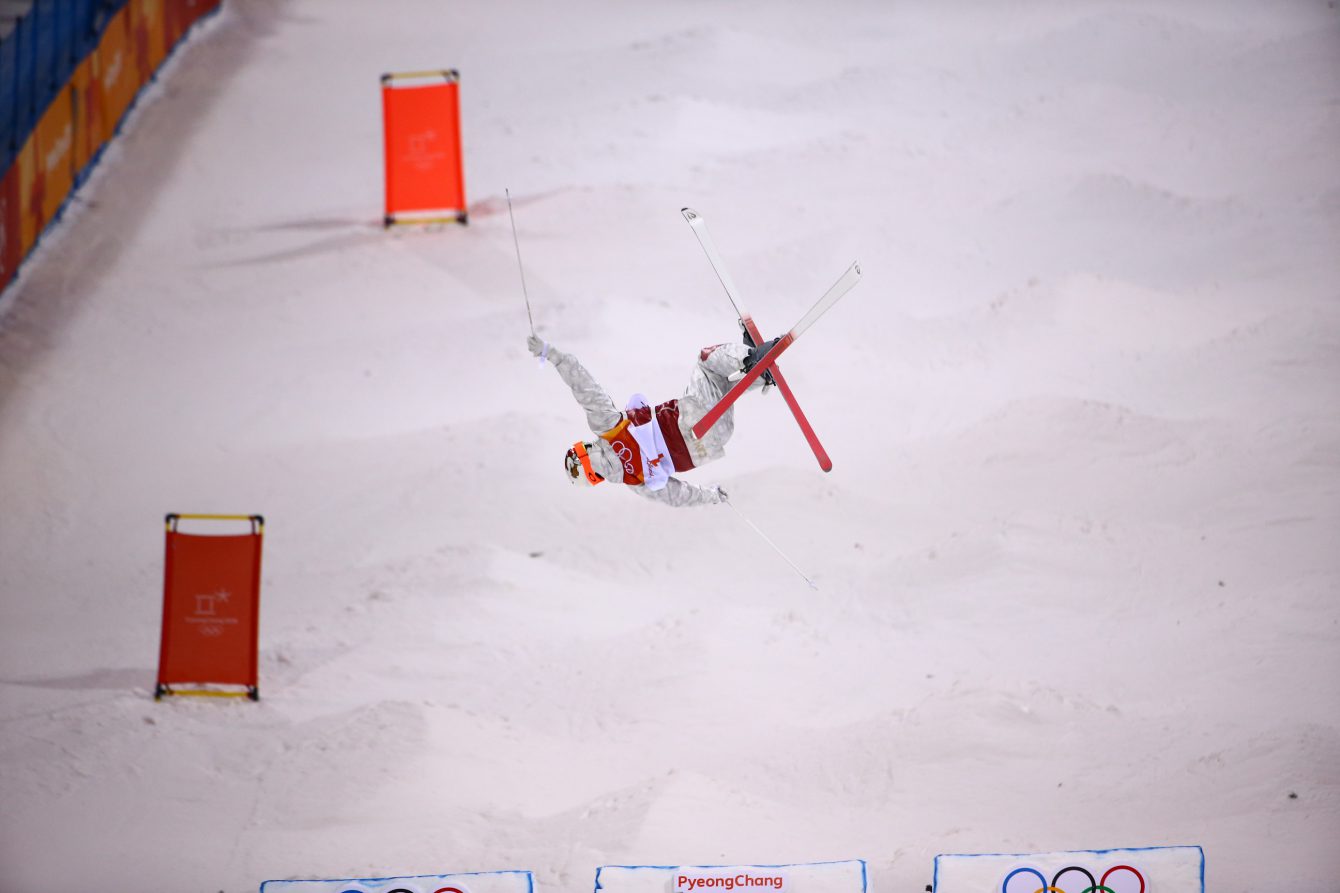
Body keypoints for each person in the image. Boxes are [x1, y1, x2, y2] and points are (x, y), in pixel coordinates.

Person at [527, 332, 778, 507]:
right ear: (585, 454)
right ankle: (751, 360)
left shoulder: (636, 483)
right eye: (585, 447)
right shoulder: (608, 429)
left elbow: (677, 496)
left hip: (715, 438)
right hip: (691, 419)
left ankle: (757, 369)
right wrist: (553, 355)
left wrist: (710, 496)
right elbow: (584, 387)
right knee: (706, 361)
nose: (588, 444)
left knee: (720, 384)